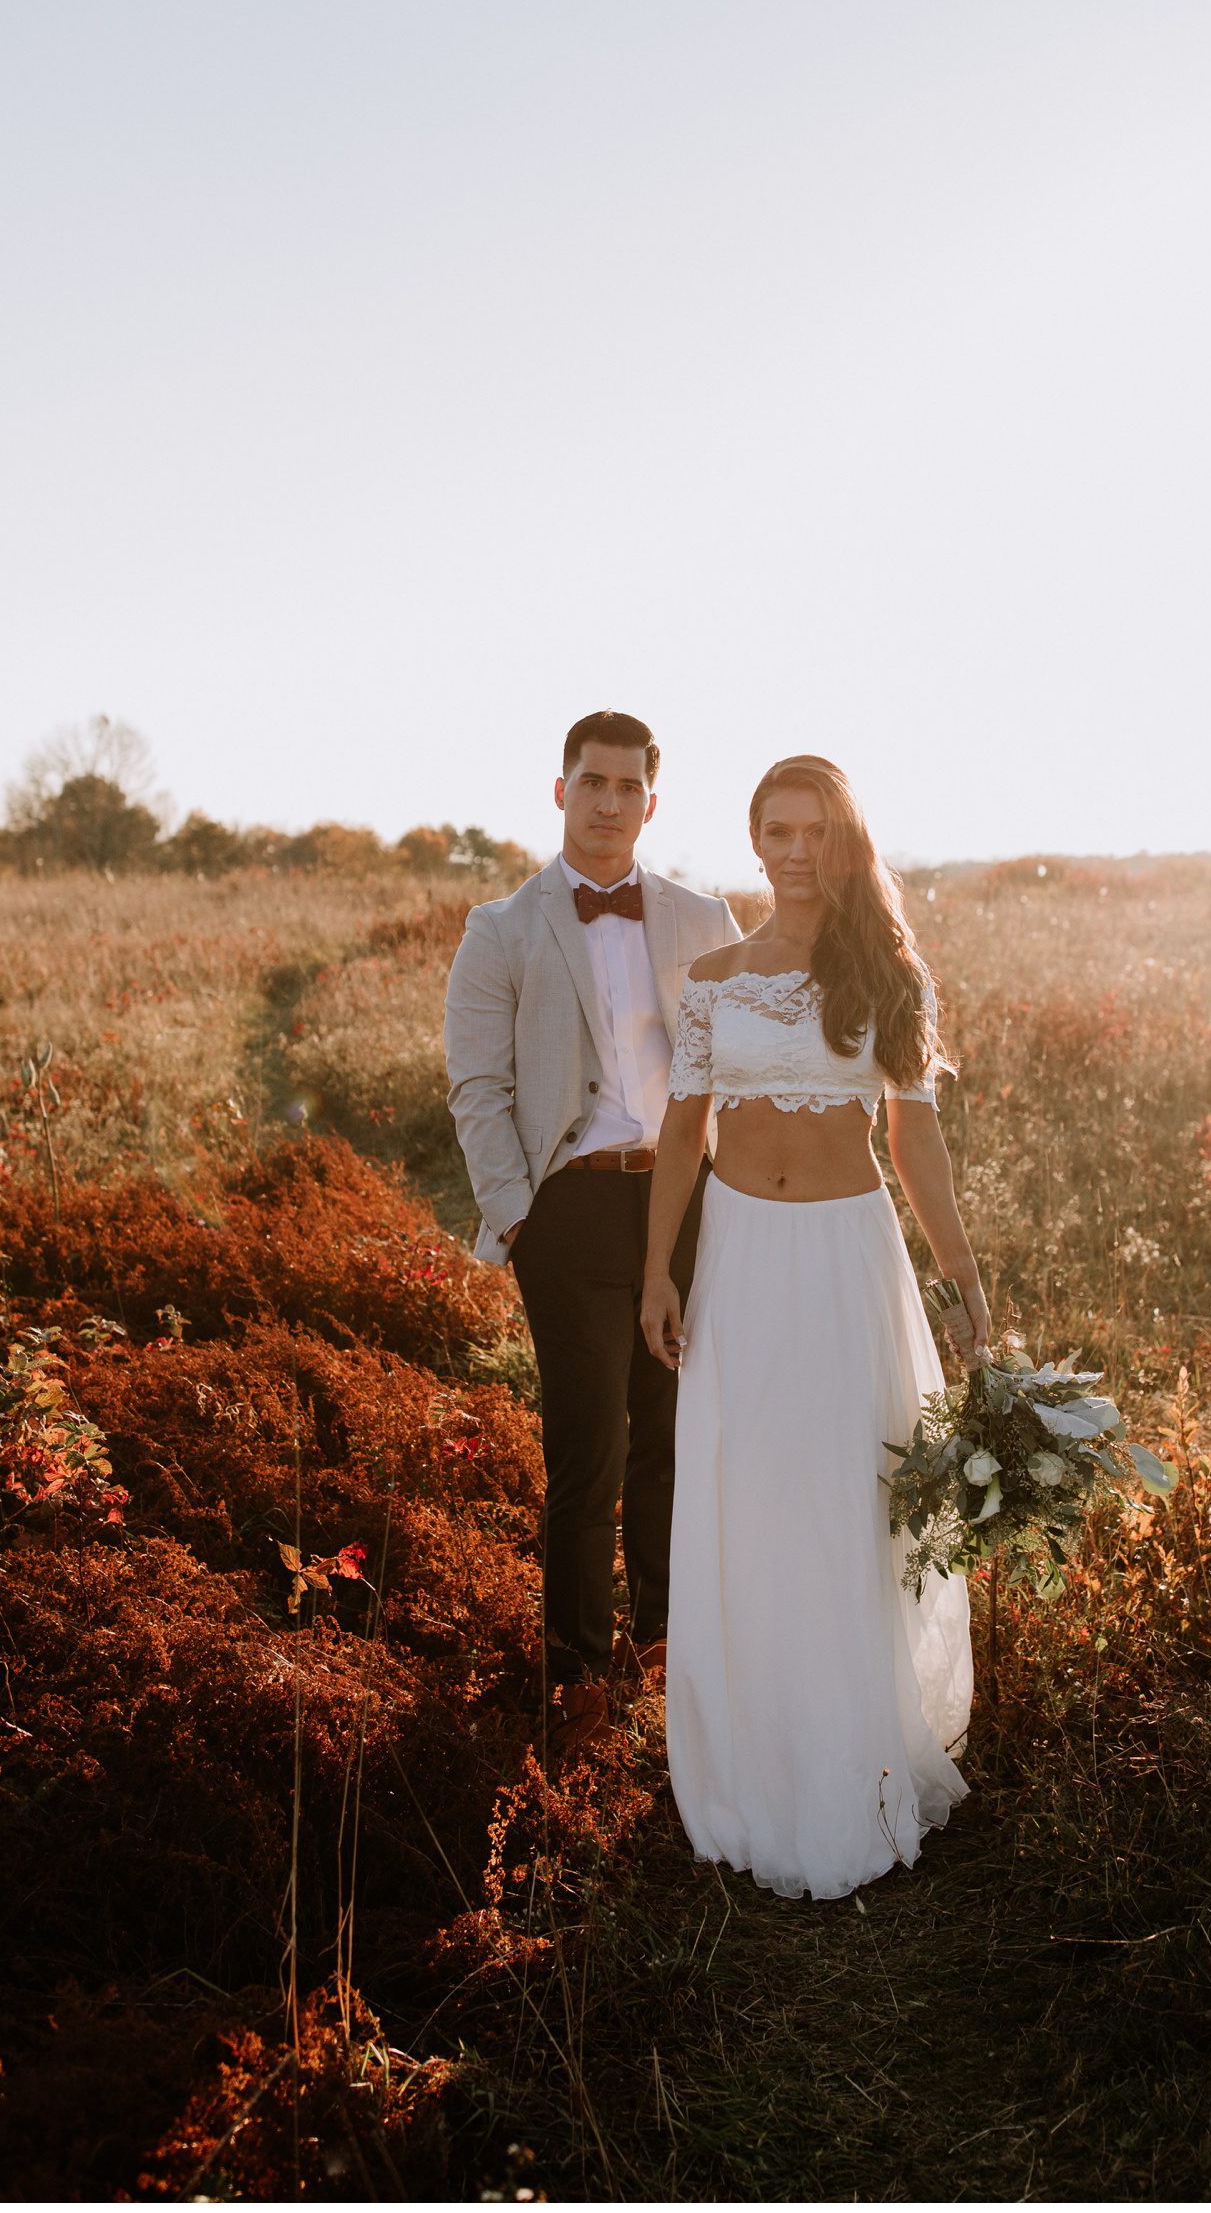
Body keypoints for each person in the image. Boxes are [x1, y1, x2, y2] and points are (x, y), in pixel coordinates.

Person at [640, 754, 991, 1901]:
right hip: (740, 1260)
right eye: (776, 829)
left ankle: (857, 1760)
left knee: (847, 1496)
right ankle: (756, 1757)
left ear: (843, 841)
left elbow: (916, 1144)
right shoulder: (713, 976)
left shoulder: (886, 972)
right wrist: (659, 1270)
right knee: (749, 1493)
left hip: (846, 1258)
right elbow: (683, 1134)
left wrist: (961, 1274)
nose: (796, 849)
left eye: (815, 830)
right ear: (751, 839)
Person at [443, 711, 740, 1761]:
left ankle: (663, 1653)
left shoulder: (707, 919)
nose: (610, 801)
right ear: (559, 789)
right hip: (565, 1208)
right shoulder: (503, 927)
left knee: (672, 1437)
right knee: (588, 1452)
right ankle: (573, 1677)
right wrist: (519, 1213)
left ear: (651, 802)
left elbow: (734, 1074)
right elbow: (477, 1086)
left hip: (685, 1198)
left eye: (629, 785)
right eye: (592, 781)